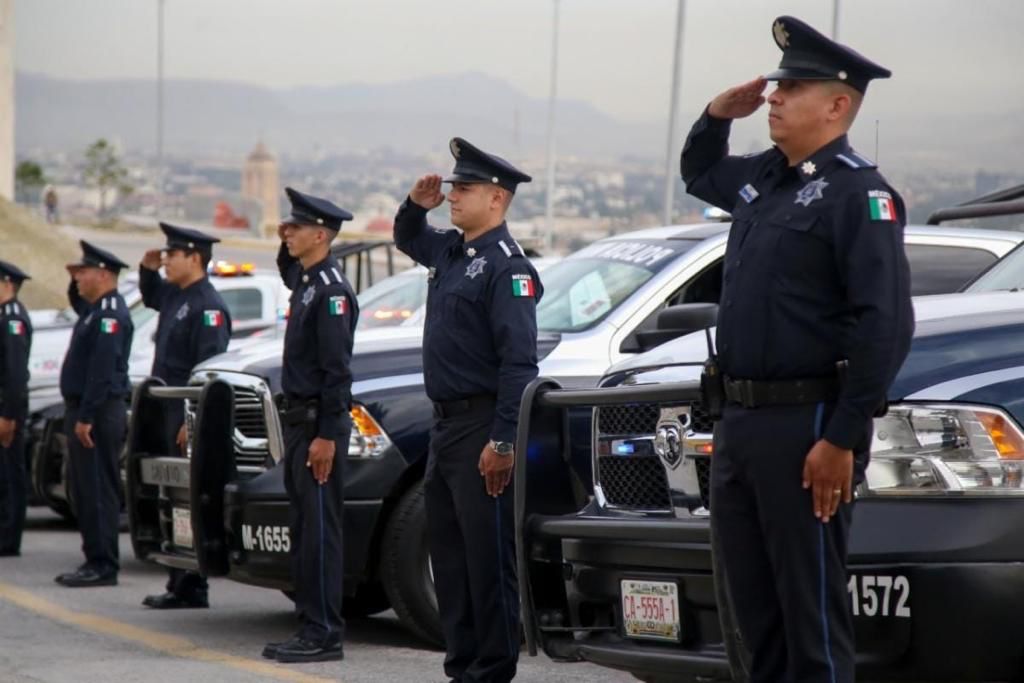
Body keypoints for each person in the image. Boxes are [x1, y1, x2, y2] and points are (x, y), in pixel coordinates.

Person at [680, 16, 914, 683]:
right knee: (753, 619)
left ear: (838, 104)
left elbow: (886, 322)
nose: (775, 96)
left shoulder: (857, 195)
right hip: (741, 422)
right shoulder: (764, 180)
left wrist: (843, 435)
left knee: (808, 613)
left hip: (807, 425)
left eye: (794, 86)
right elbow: (699, 172)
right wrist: (714, 115)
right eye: (777, 84)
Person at [393, 137, 542, 683]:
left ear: (497, 199)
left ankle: (492, 669)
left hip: (483, 426)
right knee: (452, 562)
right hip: (447, 427)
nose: (454, 196)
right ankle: (462, 668)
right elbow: (409, 236)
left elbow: (518, 366)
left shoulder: (508, 268)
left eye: (466, 188)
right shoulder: (453, 252)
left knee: (487, 561)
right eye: (453, 186)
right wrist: (416, 204)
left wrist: (503, 442)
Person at [261, 187, 357, 664]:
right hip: (300, 424)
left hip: (318, 427)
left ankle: (324, 633)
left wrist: (326, 435)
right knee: (304, 529)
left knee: (320, 532)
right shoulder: (308, 281)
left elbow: (338, 372)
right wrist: (283, 239)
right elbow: (285, 266)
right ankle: (308, 625)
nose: (287, 233)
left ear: (320, 234)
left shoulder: (333, 291)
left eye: (295, 228)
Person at [139, 223, 232, 609]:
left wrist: (189, 421)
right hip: (164, 410)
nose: (166, 262)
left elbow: (207, 371)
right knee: (170, 499)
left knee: (187, 499)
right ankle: (178, 581)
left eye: (172, 256)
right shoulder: (178, 296)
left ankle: (193, 584)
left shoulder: (207, 306)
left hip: (183, 416)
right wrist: (146, 270)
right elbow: (151, 296)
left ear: (194, 258)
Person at [55, 241, 135, 588]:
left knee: (98, 487)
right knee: (85, 488)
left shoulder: (109, 315)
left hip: (99, 413)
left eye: (84, 272)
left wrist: (86, 415)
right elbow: (77, 298)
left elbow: (102, 371)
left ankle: (103, 563)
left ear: (103, 274)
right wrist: (74, 278)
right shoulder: (96, 309)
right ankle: (94, 558)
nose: (80, 278)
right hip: (88, 410)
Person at [0, 261, 33, 557]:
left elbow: (14, 373)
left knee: (10, 472)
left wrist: (8, 416)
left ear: (7, 284)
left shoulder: (12, 319)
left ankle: (8, 538)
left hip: (7, 410)